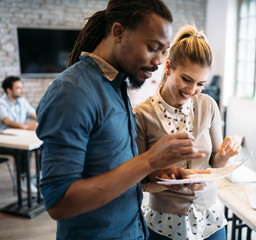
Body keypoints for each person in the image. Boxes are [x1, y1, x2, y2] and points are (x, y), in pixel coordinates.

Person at [35, 1, 205, 239]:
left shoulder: (117, 86)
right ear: (118, 32)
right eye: (152, 47)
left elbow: (110, 167)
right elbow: (59, 202)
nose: (158, 62)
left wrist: (156, 173)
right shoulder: (71, 92)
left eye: (164, 51)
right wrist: (148, 160)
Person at [134, 25, 241, 240]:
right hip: (165, 222)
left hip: (210, 219)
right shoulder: (142, 115)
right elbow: (138, 180)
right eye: (187, 79)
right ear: (168, 67)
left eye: (201, 83)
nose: (192, 91)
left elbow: (216, 163)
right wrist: (166, 178)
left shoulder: (208, 105)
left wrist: (226, 154)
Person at [0, 76, 38, 193]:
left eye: (22, 87)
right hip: (4, 142)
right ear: (9, 90)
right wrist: (26, 127)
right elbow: (7, 121)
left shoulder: (22, 101)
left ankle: (39, 177)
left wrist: (43, 121)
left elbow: (34, 114)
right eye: (18, 88)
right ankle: (23, 181)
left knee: (40, 147)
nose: (22, 90)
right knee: (22, 151)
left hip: (19, 138)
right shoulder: (1, 103)